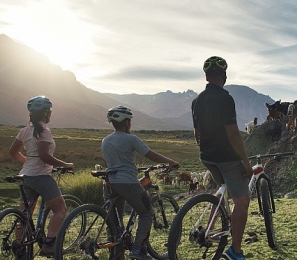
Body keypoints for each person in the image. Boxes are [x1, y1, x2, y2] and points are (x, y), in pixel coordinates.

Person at [191, 56, 253, 260]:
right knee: (242, 201)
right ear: (224, 77)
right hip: (227, 157)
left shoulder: (197, 100)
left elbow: (196, 134)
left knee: (221, 190)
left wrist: (207, 151)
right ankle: (235, 251)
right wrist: (245, 161)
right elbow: (233, 133)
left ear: (206, 76)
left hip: (207, 157)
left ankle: (210, 228)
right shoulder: (226, 98)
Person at [101, 105, 180, 260]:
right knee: (146, 212)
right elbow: (150, 154)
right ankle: (137, 250)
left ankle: (117, 255)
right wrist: (170, 161)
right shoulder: (131, 139)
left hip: (110, 183)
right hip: (128, 183)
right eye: (129, 121)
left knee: (115, 221)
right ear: (125, 122)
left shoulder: (105, 140)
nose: (130, 124)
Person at [8, 96, 74, 256]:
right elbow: (44, 156)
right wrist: (65, 164)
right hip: (41, 177)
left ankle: (20, 249)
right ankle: (50, 244)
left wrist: (28, 163)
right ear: (45, 113)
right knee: (60, 209)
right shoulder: (44, 131)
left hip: (25, 175)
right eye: (49, 111)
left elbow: (12, 152)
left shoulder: (24, 130)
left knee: (24, 215)